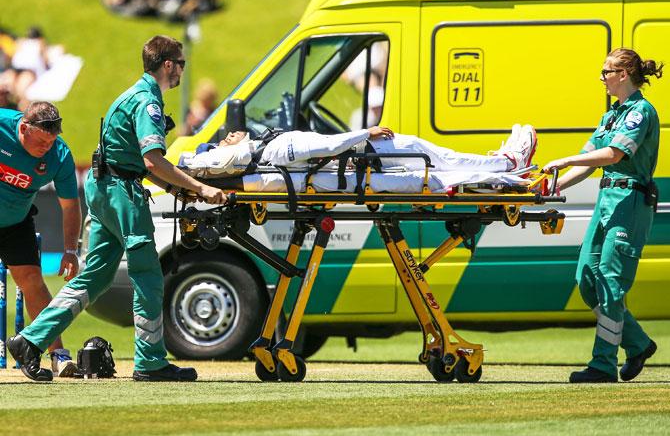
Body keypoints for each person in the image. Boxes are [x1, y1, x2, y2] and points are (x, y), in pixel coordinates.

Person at [9, 35, 226, 382]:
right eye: (181, 64)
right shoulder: (147, 101)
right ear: (167, 64)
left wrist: (178, 187)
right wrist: (200, 187)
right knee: (147, 273)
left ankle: (30, 341)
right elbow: (152, 161)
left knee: (95, 276)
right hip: (121, 191)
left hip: (106, 187)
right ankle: (150, 361)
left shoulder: (136, 94)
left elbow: (137, 161)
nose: (182, 70)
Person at [542, 48, 663, 383]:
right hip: (608, 198)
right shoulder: (611, 115)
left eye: (606, 71)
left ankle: (603, 364)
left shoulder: (640, 112)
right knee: (587, 278)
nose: (602, 78)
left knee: (609, 279)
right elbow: (588, 160)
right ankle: (637, 343)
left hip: (630, 201)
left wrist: (564, 161)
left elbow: (614, 154)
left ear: (623, 74)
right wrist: (551, 188)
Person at [0, 101, 80, 377]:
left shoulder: (59, 154)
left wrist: (71, 250)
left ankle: (57, 354)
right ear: (23, 127)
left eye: (51, 141)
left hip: (15, 223)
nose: (46, 147)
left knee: (33, 282)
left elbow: (70, 206)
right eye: (41, 141)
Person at [183, 123, 537, 176]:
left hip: (365, 157)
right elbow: (328, 144)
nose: (234, 132)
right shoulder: (276, 149)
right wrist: (365, 132)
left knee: (437, 160)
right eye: (228, 136)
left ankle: (498, 165)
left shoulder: (270, 152)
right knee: (431, 156)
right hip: (368, 156)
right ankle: (506, 164)